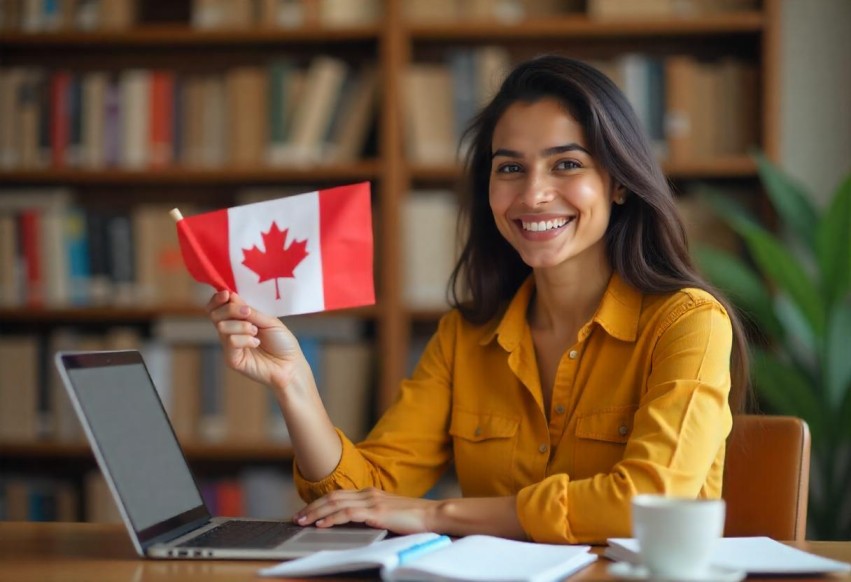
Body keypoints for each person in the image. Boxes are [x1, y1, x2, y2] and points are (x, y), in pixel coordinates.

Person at [205, 55, 750, 545]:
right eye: (510, 167)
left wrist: (440, 514)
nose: (533, 193)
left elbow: (649, 503)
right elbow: (364, 497)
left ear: (619, 182)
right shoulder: (465, 337)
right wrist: (292, 380)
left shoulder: (689, 323)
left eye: (567, 164)